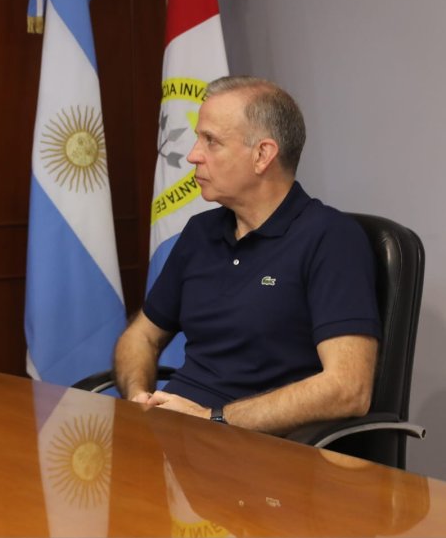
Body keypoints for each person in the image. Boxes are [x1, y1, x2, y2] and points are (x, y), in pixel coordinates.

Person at [114, 76, 379, 434]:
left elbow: (349, 389)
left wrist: (213, 419)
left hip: (261, 457)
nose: (193, 155)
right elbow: (141, 336)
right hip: (174, 437)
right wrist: (138, 397)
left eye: (211, 141)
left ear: (262, 155)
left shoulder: (330, 239)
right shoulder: (200, 232)